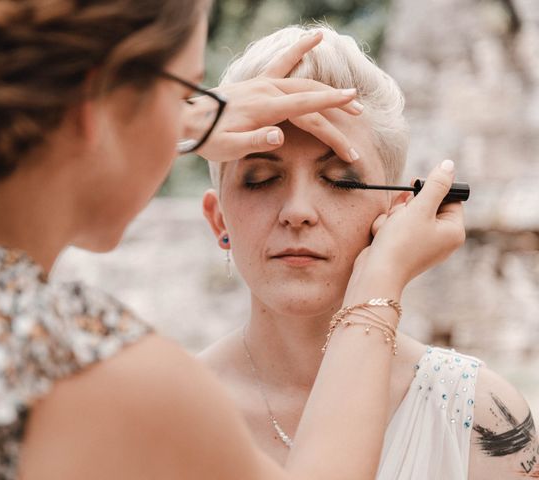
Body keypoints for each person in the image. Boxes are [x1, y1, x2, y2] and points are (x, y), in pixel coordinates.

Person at [0, 2, 465, 478]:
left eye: (338, 180)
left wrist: (176, 117)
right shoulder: (79, 364)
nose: (192, 122)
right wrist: (378, 286)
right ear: (101, 104)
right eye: (185, 92)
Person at [200, 24, 538, 480]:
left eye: (341, 179)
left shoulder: (481, 415)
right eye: (261, 178)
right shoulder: (154, 408)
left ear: (399, 216)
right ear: (219, 219)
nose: (297, 211)